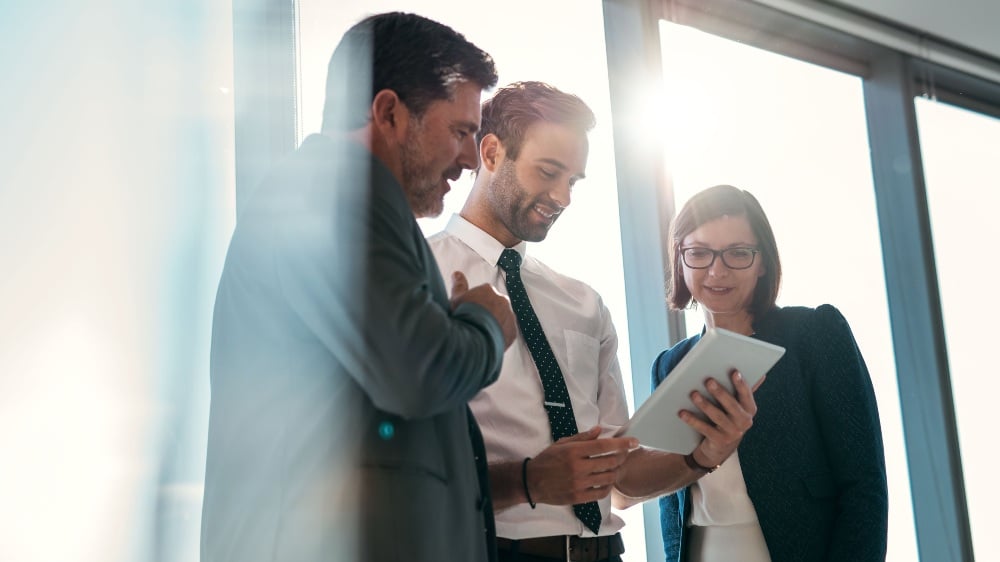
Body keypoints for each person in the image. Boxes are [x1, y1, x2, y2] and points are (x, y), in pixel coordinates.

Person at [201, 12, 517, 562]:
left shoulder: (346, 200)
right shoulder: (331, 193)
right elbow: (419, 371)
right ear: (389, 113)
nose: (470, 160)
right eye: (461, 131)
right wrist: (486, 323)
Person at [427, 82, 759, 562]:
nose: (562, 197)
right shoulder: (421, 277)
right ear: (492, 152)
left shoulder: (583, 302)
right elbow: (398, 467)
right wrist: (528, 480)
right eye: (548, 172)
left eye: (574, 181)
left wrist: (702, 455)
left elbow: (621, 474)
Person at [653, 184, 888, 562]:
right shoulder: (669, 365)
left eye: (738, 253)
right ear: (679, 259)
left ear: (763, 262)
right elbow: (672, 506)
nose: (717, 270)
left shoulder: (813, 333)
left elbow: (864, 484)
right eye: (699, 253)